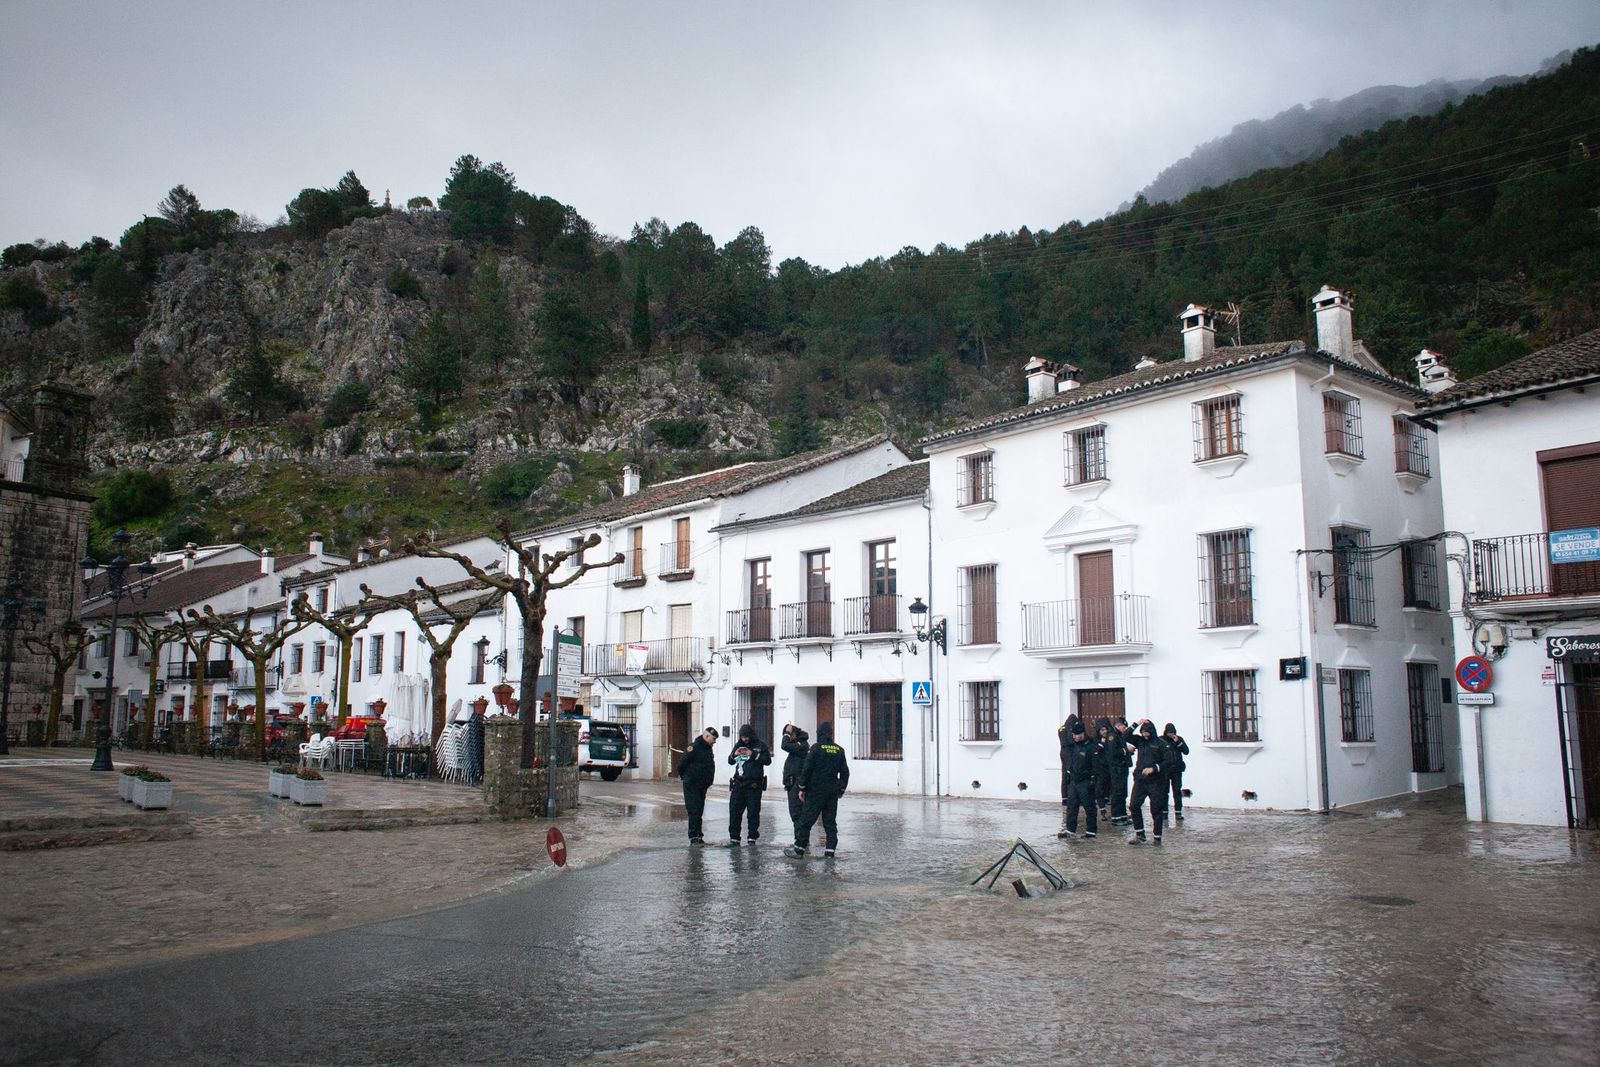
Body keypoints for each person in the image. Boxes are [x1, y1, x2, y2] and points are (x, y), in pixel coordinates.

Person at [785, 720, 849, 858]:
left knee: (806, 820)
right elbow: (845, 773)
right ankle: (830, 851)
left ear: (819, 733)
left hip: (815, 791)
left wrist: (802, 787)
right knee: (830, 822)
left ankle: (799, 850)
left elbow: (807, 769)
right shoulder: (839, 750)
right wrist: (841, 789)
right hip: (832, 792)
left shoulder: (816, 748)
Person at [726, 723, 772, 846]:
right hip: (739, 783)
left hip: (754, 784)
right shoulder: (739, 745)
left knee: (753, 813)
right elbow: (730, 761)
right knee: (734, 811)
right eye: (742, 737)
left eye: (746, 737)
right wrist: (735, 754)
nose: (744, 739)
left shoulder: (760, 745)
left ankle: (752, 837)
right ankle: (734, 838)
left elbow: (767, 761)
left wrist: (753, 754)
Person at [1057, 720, 1103, 840]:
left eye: (1076, 735)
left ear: (1082, 734)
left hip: (1085, 781)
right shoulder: (1073, 745)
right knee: (1071, 806)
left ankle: (1091, 831)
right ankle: (1070, 830)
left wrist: (1093, 779)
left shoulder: (1090, 746)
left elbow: (1096, 765)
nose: (1074, 737)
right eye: (1073, 735)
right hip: (1074, 780)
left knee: (1089, 807)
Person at [1125, 719, 1168, 845]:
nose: (1144, 734)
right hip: (1140, 780)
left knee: (1156, 809)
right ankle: (1140, 834)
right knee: (1134, 805)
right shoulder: (1140, 741)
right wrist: (1137, 723)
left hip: (1155, 781)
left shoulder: (1160, 744)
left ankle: (1157, 837)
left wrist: (1154, 768)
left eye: (1146, 732)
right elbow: (1125, 735)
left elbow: (1167, 761)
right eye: (1143, 732)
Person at [675, 726, 718, 846]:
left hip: (702, 785)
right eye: (713, 739)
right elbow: (682, 764)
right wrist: (686, 777)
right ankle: (694, 837)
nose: (714, 741)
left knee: (699, 811)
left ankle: (699, 836)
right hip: (692, 784)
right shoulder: (694, 747)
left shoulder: (707, 748)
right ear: (707, 736)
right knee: (694, 810)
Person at [780, 722, 811, 830]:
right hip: (792, 783)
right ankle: (799, 836)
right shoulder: (797, 746)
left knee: (797, 813)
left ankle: (801, 837)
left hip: (797, 784)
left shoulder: (802, 745)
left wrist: (787, 734)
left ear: (794, 734)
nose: (788, 738)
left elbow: (784, 745)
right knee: (794, 813)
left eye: (789, 735)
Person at [1104, 717, 1133, 825]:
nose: (1125, 729)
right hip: (1116, 769)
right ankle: (1116, 817)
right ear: (1118, 725)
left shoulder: (1119, 735)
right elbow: (1113, 752)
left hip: (1122, 767)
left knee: (1123, 793)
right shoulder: (1112, 736)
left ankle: (1122, 816)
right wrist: (1126, 750)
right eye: (1124, 727)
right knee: (1117, 793)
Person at [1163, 722, 1190, 824]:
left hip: (1177, 770)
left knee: (1177, 791)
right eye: (1169, 733)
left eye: (1172, 733)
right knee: (1164, 792)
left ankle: (1178, 812)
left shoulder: (1179, 739)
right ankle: (1164, 812)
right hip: (1165, 770)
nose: (1170, 734)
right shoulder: (1161, 740)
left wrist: (1178, 742)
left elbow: (1186, 751)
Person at [1093, 718, 1114, 818]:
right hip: (1101, 770)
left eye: (1106, 729)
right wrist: (1101, 744)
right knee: (1100, 791)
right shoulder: (1096, 741)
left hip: (1112, 769)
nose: (1105, 731)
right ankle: (1102, 811)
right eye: (1102, 730)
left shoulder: (1112, 739)